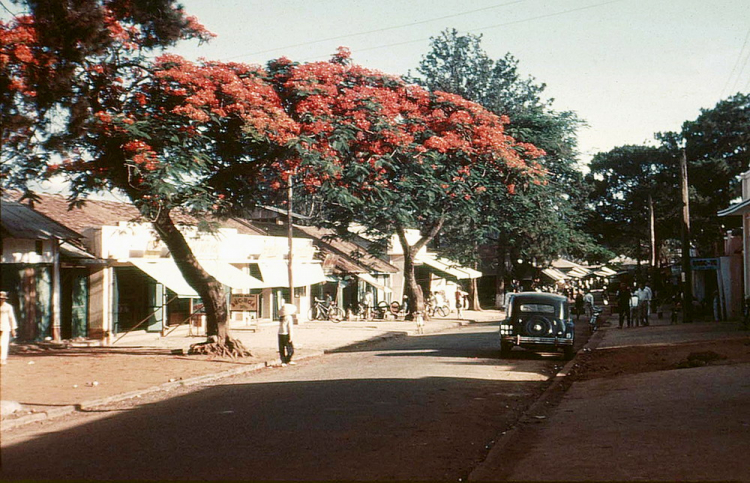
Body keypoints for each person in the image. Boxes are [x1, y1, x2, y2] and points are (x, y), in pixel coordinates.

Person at [0, 291, 18, 365]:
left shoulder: (8, 307)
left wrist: (13, 329)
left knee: (3, 343)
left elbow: (11, 317)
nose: (1, 300)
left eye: (3, 298)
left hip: (5, 326)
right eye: (0, 298)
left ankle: (3, 358)